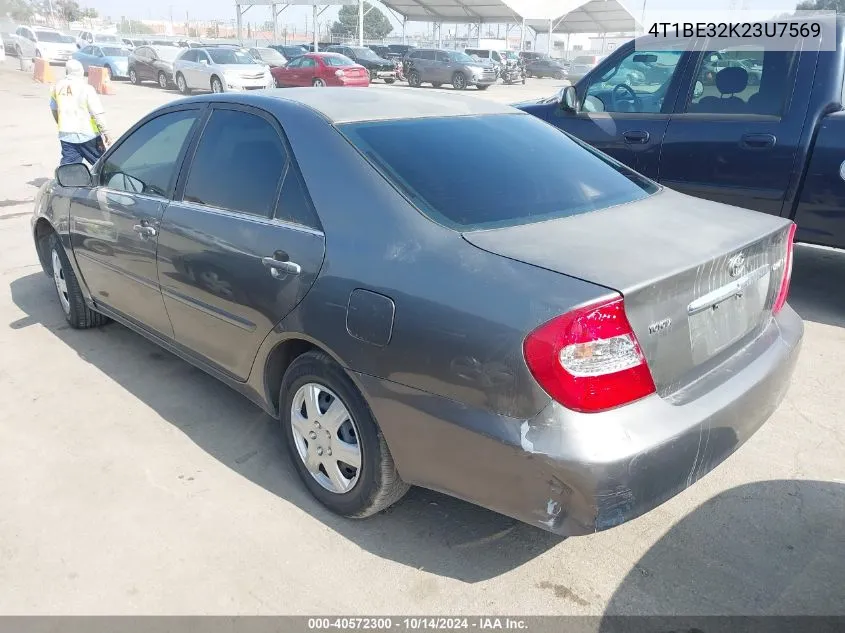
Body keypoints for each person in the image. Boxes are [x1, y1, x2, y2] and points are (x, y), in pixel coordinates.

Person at [49, 59, 112, 166]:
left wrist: (61, 124)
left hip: (66, 136)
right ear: (81, 71)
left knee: (69, 168)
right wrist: (106, 132)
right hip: (88, 135)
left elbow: (54, 110)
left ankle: (67, 182)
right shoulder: (86, 89)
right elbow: (97, 113)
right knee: (102, 165)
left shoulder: (57, 87)